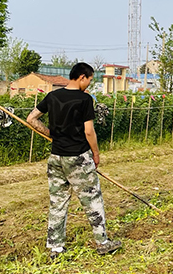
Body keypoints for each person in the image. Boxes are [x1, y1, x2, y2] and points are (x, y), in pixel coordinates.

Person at [27, 63, 122, 259]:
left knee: (58, 203)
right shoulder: (84, 99)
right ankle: (102, 242)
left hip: (56, 158)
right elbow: (89, 131)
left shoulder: (52, 96)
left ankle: (56, 248)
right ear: (81, 77)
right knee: (92, 200)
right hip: (78, 157)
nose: (89, 84)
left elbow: (31, 119)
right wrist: (96, 154)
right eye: (89, 80)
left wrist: (50, 133)